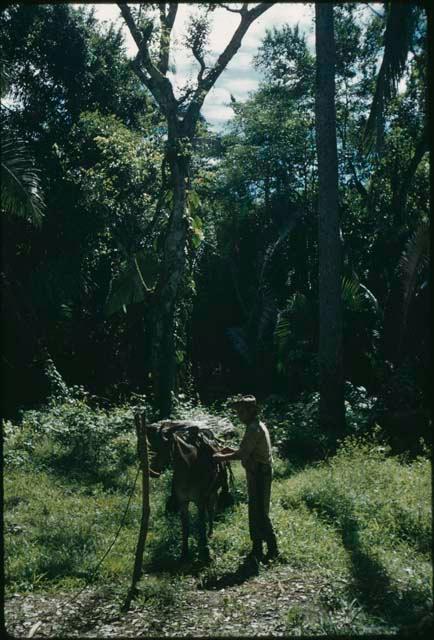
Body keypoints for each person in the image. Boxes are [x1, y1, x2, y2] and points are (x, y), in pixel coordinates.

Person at [213, 395, 278, 564]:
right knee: (255, 510)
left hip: (260, 474)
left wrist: (220, 457)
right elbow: (247, 450)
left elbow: (242, 454)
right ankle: (258, 549)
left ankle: (272, 550)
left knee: (260, 512)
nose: (239, 415)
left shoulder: (254, 428)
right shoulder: (254, 426)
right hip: (257, 472)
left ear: (251, 411)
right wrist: (228, 451)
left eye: (242, 411)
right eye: (237, 412)